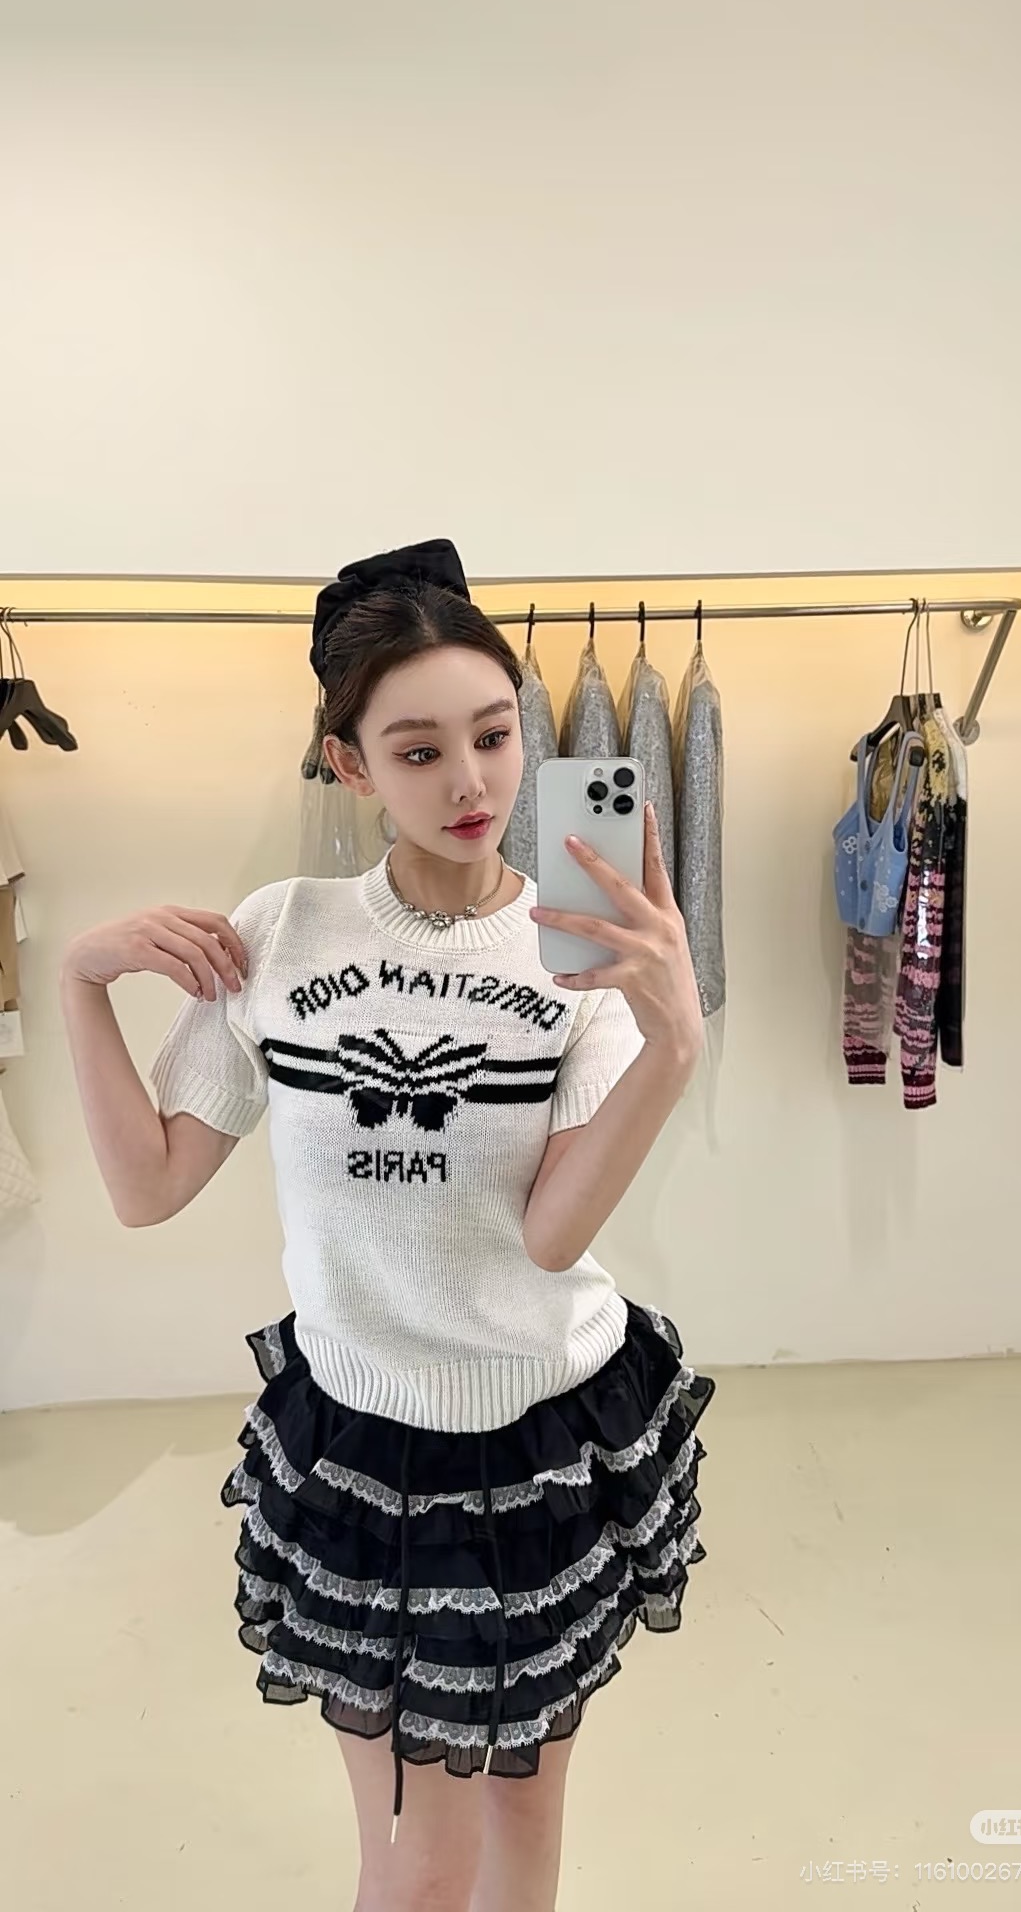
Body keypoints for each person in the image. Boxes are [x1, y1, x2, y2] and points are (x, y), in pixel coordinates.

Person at [60, 539, 715, 1912]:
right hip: (368, 1452)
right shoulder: (282, 934)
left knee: (524, 1826)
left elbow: (551, 1236)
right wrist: (80, 982)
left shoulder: (579, 958)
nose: (470, 782)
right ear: (348, 765)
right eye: (418, 751)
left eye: (493, 735)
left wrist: (671, 1043)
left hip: (547, 1440)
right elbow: (149, 1185)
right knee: (416, 1872)